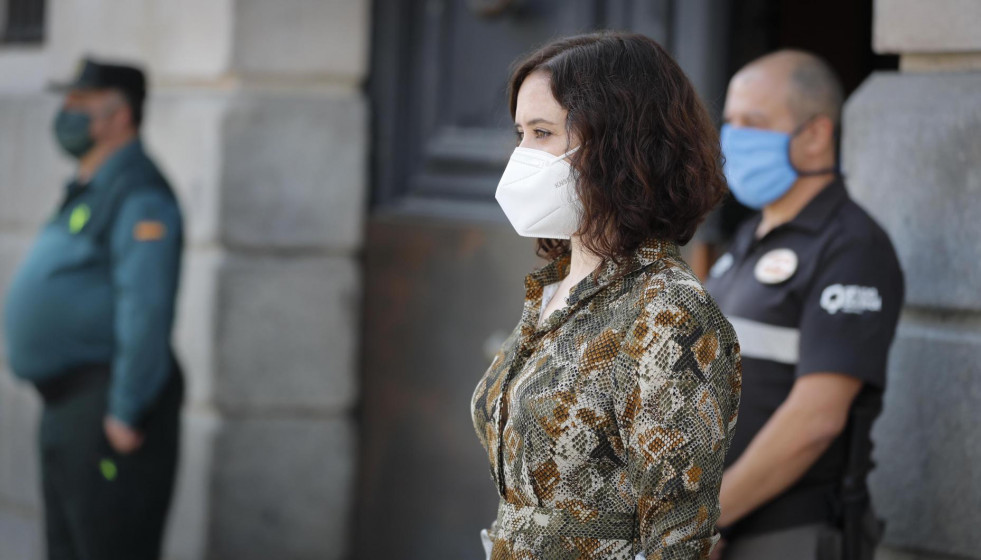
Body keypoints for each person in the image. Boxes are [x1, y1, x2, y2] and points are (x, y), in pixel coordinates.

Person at [470, 32, 742, 560]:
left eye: (542, 133)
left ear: (618, 143)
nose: (522, 154)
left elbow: (677, 539)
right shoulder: (554, 289)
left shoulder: (667, 309)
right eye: (520, 133)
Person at [705, 50, 904, 560]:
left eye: (755, 123)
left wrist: (704, 518)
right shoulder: (749, 238)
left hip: (784, 536)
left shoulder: (852, 247)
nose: (735, 138)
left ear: (815, 135)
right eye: (731, 123)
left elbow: (815, 418)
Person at [3, 58, 184, 560]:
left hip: (104, 407)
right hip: (68, 406)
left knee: (108, 544)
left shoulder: (139, 193)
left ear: (119, 115)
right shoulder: (91, 189)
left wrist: (127, 408)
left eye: (81, 105)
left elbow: (146, 306)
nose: (67, 114)